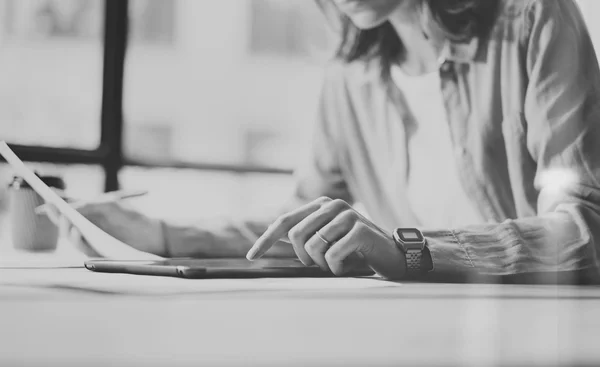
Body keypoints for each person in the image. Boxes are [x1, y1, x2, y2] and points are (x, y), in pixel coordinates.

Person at [55, 0, 600, 282]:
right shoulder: (351, 78)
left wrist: (410, 251)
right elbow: (299, 223)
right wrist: (160, 234)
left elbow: (583, 227)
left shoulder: (533, 20)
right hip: (417, 333)